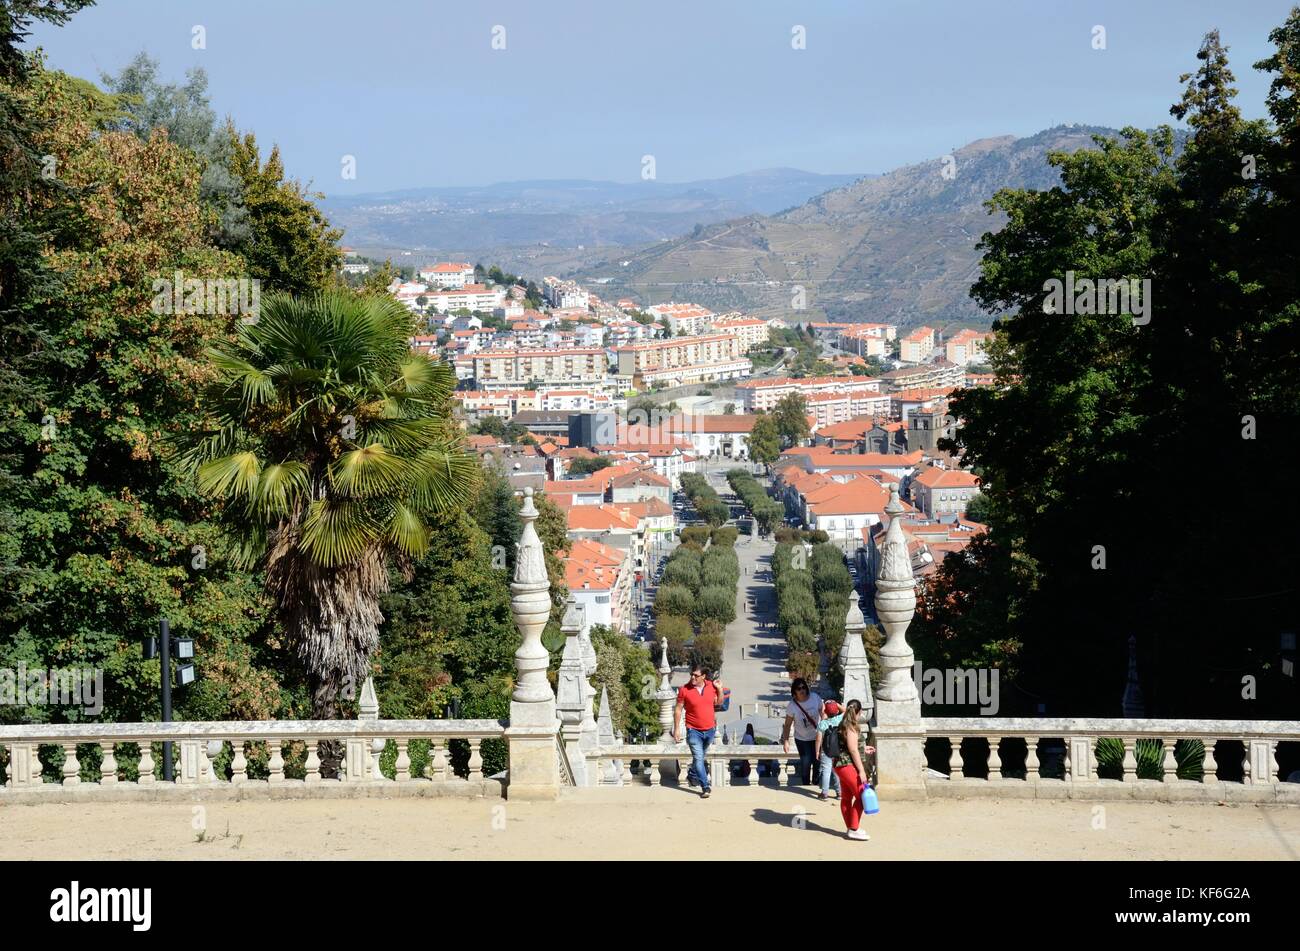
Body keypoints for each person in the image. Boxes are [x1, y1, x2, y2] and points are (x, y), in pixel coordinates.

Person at [673, 665, 726, 798]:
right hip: (693, 730)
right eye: (691, 674)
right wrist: (677, 729)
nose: (692, 677)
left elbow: (719, 703)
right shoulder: (684, 690)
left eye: (696, 675)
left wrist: (719, 689)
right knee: (698, 758)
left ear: (703, 676)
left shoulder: (711, 686)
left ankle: (692, 774)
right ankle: (705, 786)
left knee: (700, 759)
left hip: (710, 730)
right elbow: (678, 709)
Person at [830, 699, 876, 841]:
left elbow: (851, 747)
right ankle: (854, 828)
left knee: (846, 798)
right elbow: (853, 750)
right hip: (846, 765)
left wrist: (864, 748)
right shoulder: (851, 726)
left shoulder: (843, 724)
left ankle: (851, 827)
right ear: (860, 712)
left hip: (840, 765)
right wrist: (862, 771)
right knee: (863, 796)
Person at [781, 678, 824, 785]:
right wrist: (786, 740)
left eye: (804, 687)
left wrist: (824, 725)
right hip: (802, 739)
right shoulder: (792, 705)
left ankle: (815, 782)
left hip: (817, 736)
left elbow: (823, 712)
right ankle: (805, 784)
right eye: (799, 688)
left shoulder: (814, 698)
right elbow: (787, 724)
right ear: (794, 691)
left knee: (817, 761)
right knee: (806, 763)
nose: (802, 690)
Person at [813, 699, 844, 801]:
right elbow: (845, 711)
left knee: (826, 771)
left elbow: (818, 739)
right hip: (838, 750)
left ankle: (824, 793)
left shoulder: (822, 723)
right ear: (836, 711)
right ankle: (839, 793)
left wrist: (817, 751)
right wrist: (836, 704)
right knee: (836, 772)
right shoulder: (840, 719)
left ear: (825, 711)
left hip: (825, 751)